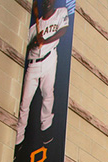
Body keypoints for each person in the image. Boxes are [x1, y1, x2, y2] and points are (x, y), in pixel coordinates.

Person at [15, 0, 69, 149]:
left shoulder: (61, 12)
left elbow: (63, 31)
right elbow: (24, 47)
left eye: (50, 0)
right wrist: (34, 42)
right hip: (33, 64)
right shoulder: (34, 27)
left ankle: (46, 127)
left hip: (49, 59)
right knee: (25, 102)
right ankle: (19, 137)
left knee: (47, 93)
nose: (47, 3)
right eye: (44, 1)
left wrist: (44, 40)